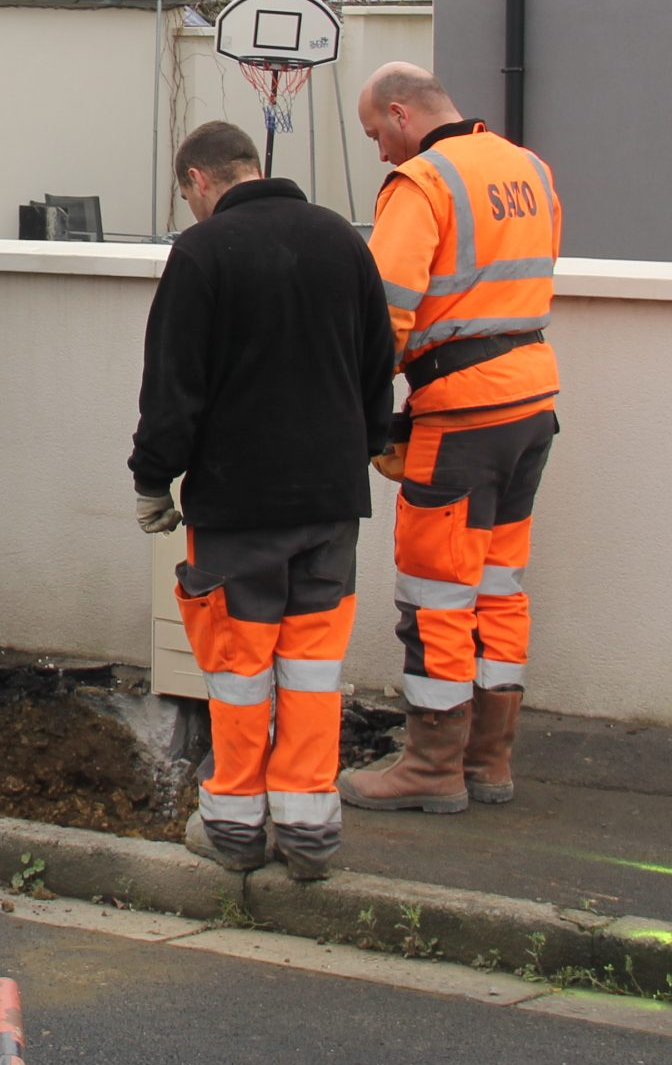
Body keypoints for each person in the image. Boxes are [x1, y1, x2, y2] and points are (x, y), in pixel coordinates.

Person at [131, 121, 395, 880]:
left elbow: (174, 384)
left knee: (241, 674)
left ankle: (236, 830)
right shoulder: (343, 241)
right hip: (331, 504)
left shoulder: (204, 251)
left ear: (198, 183)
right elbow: (378, 362)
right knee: (312, 671)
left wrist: (154, 479)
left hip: (239, 509)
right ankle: (310, 835)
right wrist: (368, 444)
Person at [338, 64, 562, 817]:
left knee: (435, 591)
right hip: (531, 403)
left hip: (461, 415)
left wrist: (358, 412)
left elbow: (384, 317)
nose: (379, 152)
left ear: (401, 115)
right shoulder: (527, 169)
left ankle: (432, 767)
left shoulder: (423, 184)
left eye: (376, 133)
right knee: (498, 585)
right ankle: (488, 761)